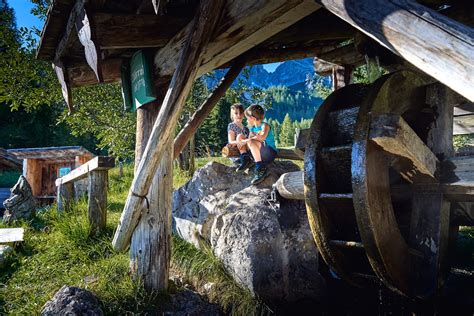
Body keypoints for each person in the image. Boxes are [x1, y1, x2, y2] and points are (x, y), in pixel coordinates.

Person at [236, 104, 278, 185]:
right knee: (240, 136)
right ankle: (245, 158)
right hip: (257, 153)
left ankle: (260, 167)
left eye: (248, 119)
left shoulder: (265, 126)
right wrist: (241, 140)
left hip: (269, 153)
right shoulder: (252, 129)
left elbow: (261, 138)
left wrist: (248, 140)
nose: (247, 121)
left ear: (253, 118)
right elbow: (249, 141)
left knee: (251, 141)